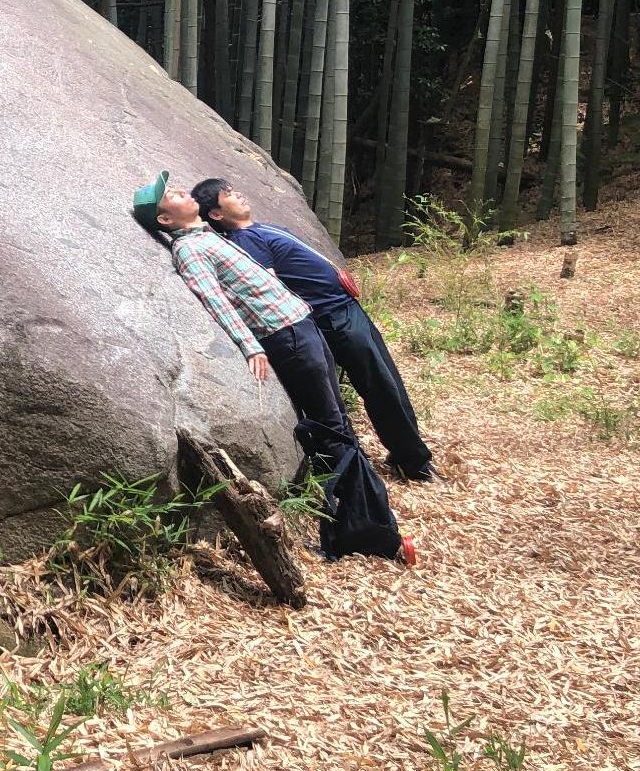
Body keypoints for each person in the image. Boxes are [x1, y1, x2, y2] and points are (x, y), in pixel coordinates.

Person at [132, 171, 413, 564]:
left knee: (339, 425)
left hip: (301, 325)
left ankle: (365, 523)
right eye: (170, 195)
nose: (179, 189)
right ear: (165, 220)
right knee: (330, 429)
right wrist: (250, 346)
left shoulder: (206, 237)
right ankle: (372, 535)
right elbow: (214, 300)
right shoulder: (190, 251)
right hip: (285, 336)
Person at [190, 178, 438, 482]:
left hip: (343, 309)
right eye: (227, 195)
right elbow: (265, 286)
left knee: (387, 381)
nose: (238, 193)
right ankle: (413, 462)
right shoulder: (246, 242)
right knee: (380, 386)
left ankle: (406, 453)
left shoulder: (256, 230)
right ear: (216, 214)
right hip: (332, 318)